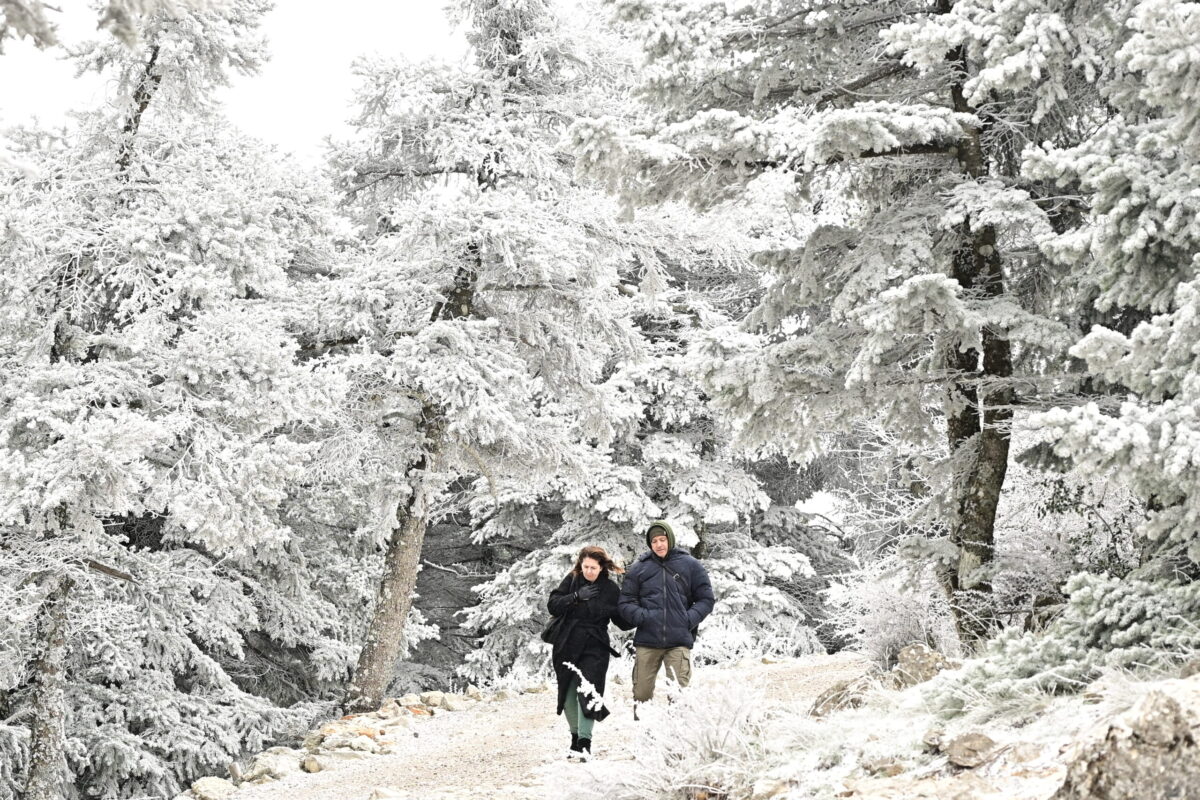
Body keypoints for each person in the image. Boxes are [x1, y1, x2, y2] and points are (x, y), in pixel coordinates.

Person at [618, 520, 715, 717]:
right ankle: (645, 736)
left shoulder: (690, 565)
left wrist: (686, 620)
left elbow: (706, 599)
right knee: (641, 694)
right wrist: (643, 617)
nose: (659, 545)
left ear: (670, 539)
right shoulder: (639, 568)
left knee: (679, 694)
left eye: (662, 539)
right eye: (654, 541)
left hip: (678, 641)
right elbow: (625, 602)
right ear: (650, 544)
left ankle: (676, 738)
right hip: (647, 641)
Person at [546, 545, 627, 761]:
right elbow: (552, 605)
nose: (589, 571)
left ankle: (585, 742)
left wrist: (637, 612)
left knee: (589, 691)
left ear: (602, 568)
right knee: (568, 692)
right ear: (580, 566)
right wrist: (575, 596)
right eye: (586, 567)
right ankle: (574, 739)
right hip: (567, 643)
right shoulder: (572, 580)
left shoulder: (610, 589)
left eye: (593, 567)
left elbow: (622, 620)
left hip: (596, 645)